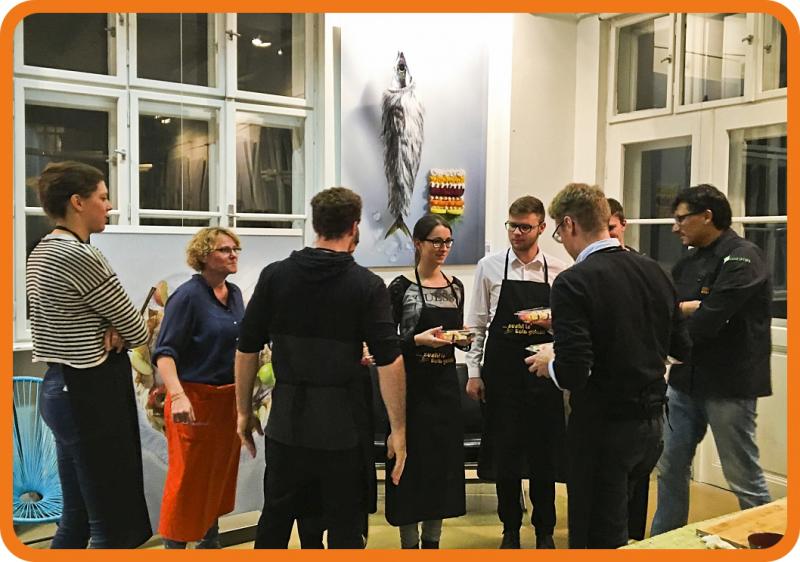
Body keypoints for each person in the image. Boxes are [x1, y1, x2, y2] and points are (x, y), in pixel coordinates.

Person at [234, 186, 407, 549]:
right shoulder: (366, 285)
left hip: (287, 424)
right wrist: (398, 429)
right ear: (354, 227)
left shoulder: (275, 276)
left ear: (315, 225)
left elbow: (246, 348)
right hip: (342, 429)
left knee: (275, 522)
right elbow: (389, 360)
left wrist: (243, 412)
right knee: (345, 527)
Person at [526, 182, 691, 549]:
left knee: (595, 536)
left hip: (604, 429)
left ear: (569, 224)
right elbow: (681, 348)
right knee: (625, 529)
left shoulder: (573, 281)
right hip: (652, 425)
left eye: (558, 232)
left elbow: (574, 372)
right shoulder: (655, 270)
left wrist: (549, 362)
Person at [26, 161, 152, 548]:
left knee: (77, 517)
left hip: (60, 387)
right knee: (109, 526)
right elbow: (137, 329)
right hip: (88, 393)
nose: (109, 206)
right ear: (77, 202)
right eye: (103, 197)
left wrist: (112, 325)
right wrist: (116, 327)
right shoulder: (81, 255)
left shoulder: (42, 250)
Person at [650, 184, 773, 536]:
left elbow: (712, 317)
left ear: (707, 216)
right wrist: (686, 309)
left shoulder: (743, 256)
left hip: (729, 384)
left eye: (681, 219)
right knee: (670, 467)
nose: (675, 227)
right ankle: (664, 541)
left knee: (741, 475)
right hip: (684, 382)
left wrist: (690, 310)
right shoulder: (688, 263)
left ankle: (771, 542)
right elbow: (671, 312)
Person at [465, 195, 568, 549]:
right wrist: (474, 372)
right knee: (505, 454)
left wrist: (552, 327)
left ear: (541, 228)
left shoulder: (559, 270)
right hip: (502, 374)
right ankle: (509, 528)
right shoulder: (490, 266)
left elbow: (568, 327)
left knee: (544, 456)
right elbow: (477, 323)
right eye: (512, 226)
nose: (517, 233)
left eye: (525, 227)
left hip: (543, 374)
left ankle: (544, 530)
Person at [152, 227, 245, 549]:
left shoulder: (234, 294)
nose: (233, 255)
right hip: (193, 401)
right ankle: (175, 549)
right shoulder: (187, 296)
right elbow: (164, 353)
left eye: (235, 249)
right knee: (187, 484)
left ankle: (210, 545)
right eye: (224, 250)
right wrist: (178, 396)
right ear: (204, 256)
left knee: (216, 479)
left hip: (226, 402)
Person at [385, 214, 469, 549]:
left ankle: (432, 543)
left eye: (448, 241)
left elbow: (455, 334)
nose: (443, 248)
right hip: (410, 391)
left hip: (445, 391)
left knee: (440, 472)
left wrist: (463, 339)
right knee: (408, 470)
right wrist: (416, 341)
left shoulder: (456, 286)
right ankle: (409, 545)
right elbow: (386, 345)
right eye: (436, 241)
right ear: (418, 243)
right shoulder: (400, 287)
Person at [606, 197, 648, 540]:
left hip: (636, 380)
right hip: (601, 382)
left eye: (612, 228)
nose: (607, 235)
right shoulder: (586, 270)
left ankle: (633, 535)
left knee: (636, 470)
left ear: (623, 225)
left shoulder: (642, 268)